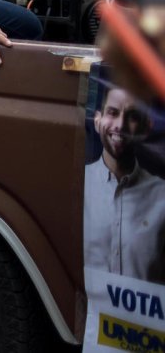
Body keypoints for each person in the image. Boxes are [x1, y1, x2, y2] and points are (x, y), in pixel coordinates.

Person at [84, 84, 165, 282]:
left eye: (133, 116)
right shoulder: (78, 185)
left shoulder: (162, 194)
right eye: (112, 112)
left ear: (146, 128)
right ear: (96, 120)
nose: (120, 125)